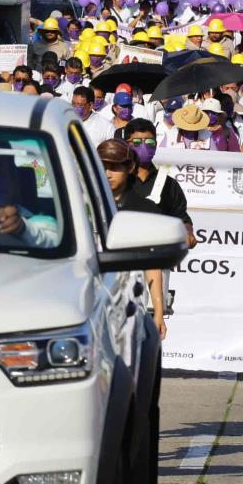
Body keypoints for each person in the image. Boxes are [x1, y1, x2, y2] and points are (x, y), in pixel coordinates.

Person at [97, 139, 168, 337]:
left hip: (128, 308)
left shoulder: (146, 210)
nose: (107, 173)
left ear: (129, 167)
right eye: (102, 166)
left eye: (114, 167)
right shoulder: (78, 205)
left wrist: (158, 313)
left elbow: (152, 266)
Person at [122, 119, 196, 248]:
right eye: (137, 142)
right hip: (122, 253)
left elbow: (182, 218)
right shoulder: (117, 179)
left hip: (157, 256)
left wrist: (188, 232)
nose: (144, 146)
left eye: (149, 142)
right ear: (127, 145)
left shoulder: (169, 184)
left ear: (156, 145)